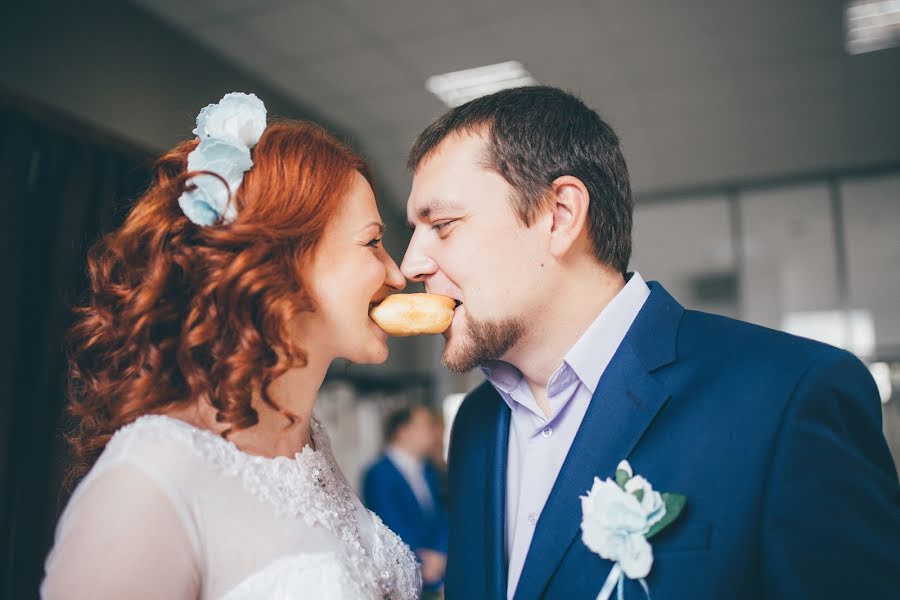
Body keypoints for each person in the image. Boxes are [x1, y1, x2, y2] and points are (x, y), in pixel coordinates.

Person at [400, 86, 900, 599]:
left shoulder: (789, 398)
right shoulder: (477, 424)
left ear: (560, 214)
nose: (410, 264)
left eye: (442, 225)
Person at [41, 93, 421, 600]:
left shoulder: (309, 449)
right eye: (373, 242)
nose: (397, 274)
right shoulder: (149, 481)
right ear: (280, 258)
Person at [363, 405, 449, 596]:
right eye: (426, 425)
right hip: (404, 574)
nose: (433, 432)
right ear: (404, 431)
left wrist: (440, 554)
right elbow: (388, 524)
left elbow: (442, 516)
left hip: (438, 570)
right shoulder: (378, 474)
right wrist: (420, 560)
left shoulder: (431, 471)